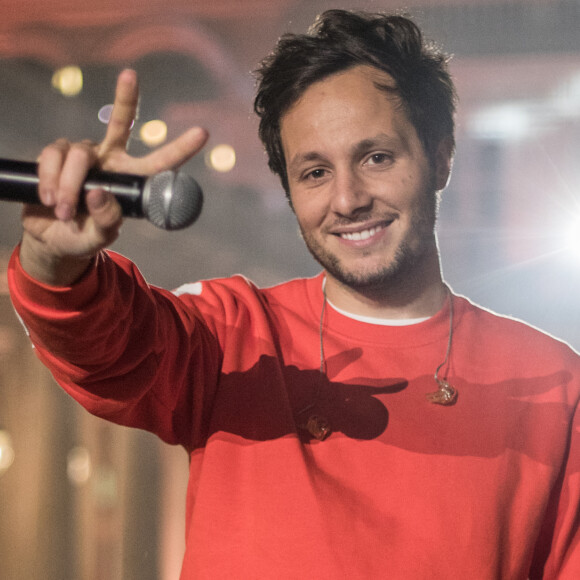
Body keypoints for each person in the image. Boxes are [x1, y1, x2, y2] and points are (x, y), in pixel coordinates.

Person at [7, 9, 580, 579]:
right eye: (314, 173)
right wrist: (56, 258)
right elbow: (106, 346)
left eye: (376, 157)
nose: (348, 198)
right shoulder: (234, 332)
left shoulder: (555, 383)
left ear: (441, 158)